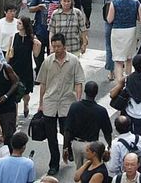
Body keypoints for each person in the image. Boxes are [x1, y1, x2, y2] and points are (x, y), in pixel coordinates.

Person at [38, 32, 86, 176]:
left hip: (67, 103)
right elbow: (43, 83)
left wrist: (78, 101)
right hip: (50, 103)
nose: (56, 49)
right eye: (54, 46)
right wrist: (41, 103)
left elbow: (78, 82)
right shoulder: (48, 61)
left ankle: (68, 148)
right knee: (51, 137)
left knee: (67, 131)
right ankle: (54, 164)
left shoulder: (73, 61)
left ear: (64, 46)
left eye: (59, 46)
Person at [63, 81, 114, 173]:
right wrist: (109, 146)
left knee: (79, 170)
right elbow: (107, 132)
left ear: (85, 92)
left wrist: (66, 147)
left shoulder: (74, 107)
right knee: (90, 172)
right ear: (96, 93)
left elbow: (67, 129)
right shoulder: (101, 111)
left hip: (77, 144)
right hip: (92, 146)